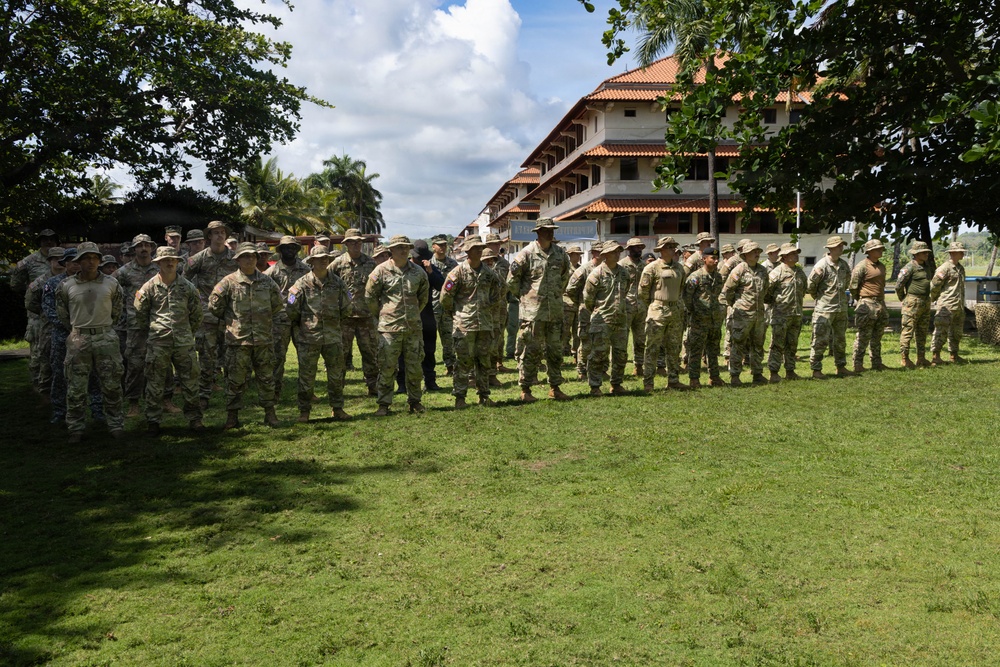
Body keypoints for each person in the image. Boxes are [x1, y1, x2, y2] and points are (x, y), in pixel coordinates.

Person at [208, 242, 284, 429]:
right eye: (245, 256)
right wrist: (231, 322)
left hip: (263, 339)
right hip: (238, 340)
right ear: (238, 260)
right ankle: (232, 416)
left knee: (266, 378)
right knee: (235, 380)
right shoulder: (228, 282)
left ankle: (270, 414)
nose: (250, 259)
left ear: (257, 259)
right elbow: (214, 307)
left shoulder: (267, 282)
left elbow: (277, 305)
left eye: (253, 256)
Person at [55, 242, 126, 442]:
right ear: (78, 261)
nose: (91, 262)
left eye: (95, 258)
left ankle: (115, 425)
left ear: (99, 260)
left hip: (105, 337)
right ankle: (76, 428)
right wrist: (79, 330)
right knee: (76, 387)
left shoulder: (112, 283)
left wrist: (103, 327)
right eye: (86, 258)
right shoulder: (66, 286)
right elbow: (63, 315)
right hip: (79, 340)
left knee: (112, 385)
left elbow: (117, 311)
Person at [134, 246, 204, 435]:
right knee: (155, 382)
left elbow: (197, 313)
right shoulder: (149, 287)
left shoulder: (188, 287)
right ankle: (153, 421)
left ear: (178, 262)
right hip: (158, 343)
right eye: (166, 260)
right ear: (158, 263)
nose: (170, 262)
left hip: (184, 343)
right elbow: (141, 314)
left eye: (173, 260)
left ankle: (195, 419)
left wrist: (187, 332)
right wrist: (154, 330)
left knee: (190, 381)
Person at [507, 219, 572, 403]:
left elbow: (565, 277)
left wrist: (555, 295)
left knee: (555, 351)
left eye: (551, 230)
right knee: (530, 351)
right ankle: (525, 389)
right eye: (546, 230)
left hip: (554, 311)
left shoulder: (560, 254)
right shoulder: (526, 254)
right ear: (538, 232)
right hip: (533, 313)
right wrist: (526, 297)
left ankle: (555, 387)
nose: (550, 233)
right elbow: (511, 281)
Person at [286, 245, 352, 422]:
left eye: (326, 258)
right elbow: (291, 307)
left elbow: (347, 307)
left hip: (332, 336)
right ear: (312, 261)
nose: (324, 260)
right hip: (309, 337)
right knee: (306, 376)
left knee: (336, 375)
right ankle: (304, 412)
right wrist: (304, 323)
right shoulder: (300, 283)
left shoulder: (338, 283)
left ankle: (337, 409)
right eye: (320, 258)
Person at [365, 235, 430, 415]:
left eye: (406, 247)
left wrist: (413, 313)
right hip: (389, 329)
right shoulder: (380, 271)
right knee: (386, 367)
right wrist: (383, 314)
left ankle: (415, 401)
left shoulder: (419, 272)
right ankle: (384, 404)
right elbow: (370, 297)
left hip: (412, 328)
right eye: (399, 247)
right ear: (391, 250)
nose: (403, 250)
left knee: (414, 367)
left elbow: (423, 298)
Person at [440, 238, 503, 408]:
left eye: (480, 248)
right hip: (464, 325)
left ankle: (484, 395)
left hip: (484, 324)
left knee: (484, 362)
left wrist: (487, 309)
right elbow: (445, 297)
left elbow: (497, 294)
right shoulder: (457, 273)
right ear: (467, 251)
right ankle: (460, 397)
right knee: (463, 362)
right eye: (475, 248)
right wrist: (457, 313)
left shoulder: (489, 274)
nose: (479, 251)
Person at [186, 220, 239, 406]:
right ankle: (204, 396)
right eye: (215, 233)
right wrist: (194, 303)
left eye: (222, 232)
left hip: (229, 317)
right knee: (206, 359)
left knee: (231, 359)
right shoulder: (199, 258)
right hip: (206, 317)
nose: (219, 236)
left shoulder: (235, 258)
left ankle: (231, 397)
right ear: (209, 236)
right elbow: (183, 280)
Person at [113, 234, 161, 416]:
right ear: (134, 249)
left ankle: (163, 399)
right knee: (135, 364)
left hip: (158, 322)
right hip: (134, 325)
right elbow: (111, 290)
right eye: (139, 246)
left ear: (151, 248)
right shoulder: (124, 272)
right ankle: (134, 403)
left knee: (159, 362)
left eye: (146, 245)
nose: (143, 248)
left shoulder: (159, 268)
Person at [331, 228, 380, 397]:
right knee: (341, 355)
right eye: (352, 242)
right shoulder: (337, 263)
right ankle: (339, 389)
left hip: (366, 317)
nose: (356, 245)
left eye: (358, 242)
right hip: (345, 318)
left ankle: (373, 387)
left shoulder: (370, 263)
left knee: (370, 354)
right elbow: (326, 281)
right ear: (346, 244)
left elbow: (378, 286)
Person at [13, 228, 60, 394]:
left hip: (60, 314)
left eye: (52, 239)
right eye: (45, 239)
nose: (48, 242)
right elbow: (15, 284)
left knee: (57, 349)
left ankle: (56, 384)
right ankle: (37, 386)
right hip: (37, 315)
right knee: (38, 352)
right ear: (39, 242)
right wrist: (31, 296)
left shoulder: (63, 259)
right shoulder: (29, 261)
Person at [264, 235, 310, 402]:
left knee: (306, 358)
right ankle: (274, 393)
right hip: (279, 321)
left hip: (301, 320)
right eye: (285, 247)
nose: (289, 250)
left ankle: (307, 392)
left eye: (292, 247)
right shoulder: (271, 272)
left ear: (296, 250)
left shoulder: (306, 270)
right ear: (281, 250)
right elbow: (264, 294)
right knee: (277, 359)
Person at [638, 236, 686, 391]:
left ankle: (673, 380)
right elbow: (643, 291)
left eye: (674, 246)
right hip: (657, 310)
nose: (673, 249)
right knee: (653, 347)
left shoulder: (679, 268)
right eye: (669, 247)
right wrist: (654, 305)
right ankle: (648, 382)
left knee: (674, 346)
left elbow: (681, 288)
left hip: (675, 310)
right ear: (662, 250)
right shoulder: (652, 268)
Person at [583, 241, 630, 396]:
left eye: (618, 251)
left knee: (621, 354)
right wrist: (598, 311)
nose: (617, 254)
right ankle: (595, 386)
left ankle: (616, 384)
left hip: (620, 320)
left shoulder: (624, 273)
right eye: (613, 252)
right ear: (605, 255)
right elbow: (588, 298)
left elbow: (626, 291)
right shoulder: (596, 274)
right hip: (601, 320)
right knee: (598, 354)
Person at [807, 235, 855, 379]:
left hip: (840, 309)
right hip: (825, 309)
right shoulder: (821, 265)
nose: (842, 248)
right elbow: (811, 286)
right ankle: (816, 370)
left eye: (842, 245)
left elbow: (846, 283)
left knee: (840, 340)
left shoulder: (844, 265)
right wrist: (821, 299)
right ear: (831, 248)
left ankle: (841, 367)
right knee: (820, 340)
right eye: (839, 246)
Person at [723, 241, 770, 386]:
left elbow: (766, 289)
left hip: (758, 315)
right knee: (738, 345)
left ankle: (757, 374)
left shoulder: (762, 271)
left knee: (757, 345)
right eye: (753, 252)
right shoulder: (739, 270)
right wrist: (736, 305)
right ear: (745, 255)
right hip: (742, 315)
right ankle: (735, 375)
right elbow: (728, 291)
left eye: (758, 252)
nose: (757, 254)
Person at [399, 240, 444, 392]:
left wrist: (430, 272)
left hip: (426, 315)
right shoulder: (402, 268)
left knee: (429, 350)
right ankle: (402, 384)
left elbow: (442, 286)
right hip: (405, 316)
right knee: (403, 351)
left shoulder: (430, 268)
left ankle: (430, 381)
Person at [24, 247, 65, 401]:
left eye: (62, 260)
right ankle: (45, 391)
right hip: (47, 326)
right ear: (50, 261)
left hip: (67, 326)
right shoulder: (41, 282)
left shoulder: (71, 279)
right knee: (46, 358)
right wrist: (44, 313)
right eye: (55, 259)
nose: (59, 263)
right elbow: (30, 302)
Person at [683, 246, 725, 388]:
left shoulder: (718, 277)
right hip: (699, 320)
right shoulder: (695, 277)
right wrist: (694, 312)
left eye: (717, 258)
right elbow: (687, 298)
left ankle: (714, 377)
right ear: (704, 259)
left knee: (713, 350)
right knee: (696, 350)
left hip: (714, 320)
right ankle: (694, 378)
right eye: (712, 258)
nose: (716, 260)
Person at [764, 243, 807, 382]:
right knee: (777, 344)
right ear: (785, 256)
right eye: (792, 253)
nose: (796, 255)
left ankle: (790, 371)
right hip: (780, 315)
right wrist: (777, 305)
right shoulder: (777, 272)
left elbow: (804, 289)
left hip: (796, 314)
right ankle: (774, 372)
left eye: (796, 253)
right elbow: (767, 293)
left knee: (792, 344)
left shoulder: (799, 272)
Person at [849, 239, 888, 372]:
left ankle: (876, 363)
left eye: (881, 249)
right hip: (867, 303)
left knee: (877, 336)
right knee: (864, 335)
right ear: (869, 251)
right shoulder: (862, 266)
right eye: (877, 249)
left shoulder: (882, 266)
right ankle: (857, 363)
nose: (880, 251)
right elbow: (853, 286)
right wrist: (860, 300)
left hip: (880, 303)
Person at [565, 244, 603, 380]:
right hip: (586, 309)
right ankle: (582, 369)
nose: (603, 254)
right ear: (594, 253)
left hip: (601, 309)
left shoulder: (606, 268)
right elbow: (570, 288)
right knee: (585, 339)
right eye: (600, 251)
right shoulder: (585, 269)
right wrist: (581, 301)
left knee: (601, 340)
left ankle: (600, 369)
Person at [896, 241, 933, 369]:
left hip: (925, 302)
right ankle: (905, 359)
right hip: (912, 303)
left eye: (927, 252)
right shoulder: (909, 267)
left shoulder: (926, 267)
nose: (926, 254)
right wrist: (905, 299)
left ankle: (921, 358)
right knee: (908, 331)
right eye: (923, 252)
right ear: (916, 254)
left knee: (922, 331)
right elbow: (899, 285)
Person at [930, 241, 968, 365]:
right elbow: (934, 286)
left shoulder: (960, 268)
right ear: (953, 253)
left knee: (956, 332)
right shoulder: (944, 268)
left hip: (958, 305)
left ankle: (954, 355)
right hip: (947, 305)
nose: (962, 254)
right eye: (960, 252)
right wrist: (934, 299)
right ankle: (936, 356)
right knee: (941, 331)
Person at [430, 235, 459, 376]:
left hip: (448, 306)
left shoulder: (453, 265)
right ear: (433, 246)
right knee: (430, 339)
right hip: (432, 306)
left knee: (449, 337)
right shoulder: (428, 264)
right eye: (439, 245)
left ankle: (450, 365)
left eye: (444, 245)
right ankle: (429, 368)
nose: (442, 247)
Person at [619, 237, 648, 377]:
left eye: (640, 248)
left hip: (642, 307)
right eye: (636, 248)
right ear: (629, 249)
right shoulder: (621, 266)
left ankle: (639, 366)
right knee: (622, 339)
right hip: (626, 306)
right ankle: (619, 367)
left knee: (641, 339)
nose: (639, 250)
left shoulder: (644, 266)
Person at [485, 233, 514, 370]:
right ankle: (487, 363)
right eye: (494, 244)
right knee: (486, 335)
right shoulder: (482, 261)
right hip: (485, 304)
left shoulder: (504, 263)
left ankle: (499, 362)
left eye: (498, 244)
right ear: (487, 245)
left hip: (501, 304)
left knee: (500, 333)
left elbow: (509, 283)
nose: (497, 246)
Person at [481, 246, 509, 389]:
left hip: (495, 315)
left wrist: (495, 302)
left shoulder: (495, 276)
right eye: (485, 261)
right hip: (477, 317)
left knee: (493, 345)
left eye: (490, 260)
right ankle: (474, 377)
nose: (489, 263)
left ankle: (492, 375)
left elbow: (504, 288)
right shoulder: (474, 274)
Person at [562, 244, 584, 358]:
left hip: (578, 302)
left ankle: (576, 352)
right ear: (570, 255)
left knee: (578, 330)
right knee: (565, 330)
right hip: (566, 303)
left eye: (579, 255)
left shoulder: (581, 268)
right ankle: (563, 350)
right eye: (576, 254)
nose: (578, 257)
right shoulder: (565, 268)